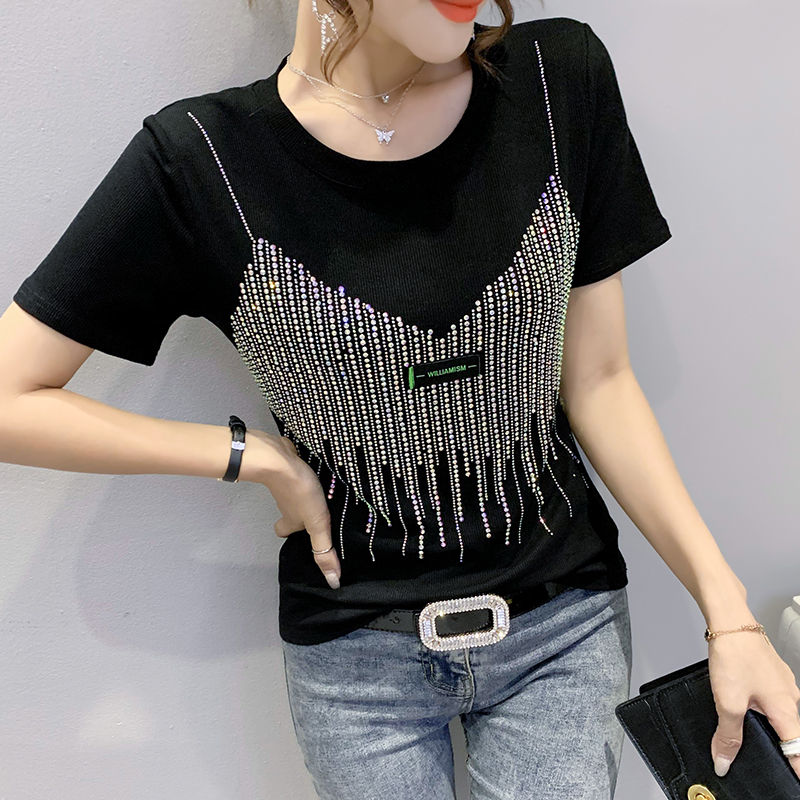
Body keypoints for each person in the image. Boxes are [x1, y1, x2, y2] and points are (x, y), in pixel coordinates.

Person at [2, 0, 799, 798]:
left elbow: (600, 381)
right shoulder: (203, 161)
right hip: (356, 664)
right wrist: (252, 456)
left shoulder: (558, 83)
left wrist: (729, 615)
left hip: (563, 630)